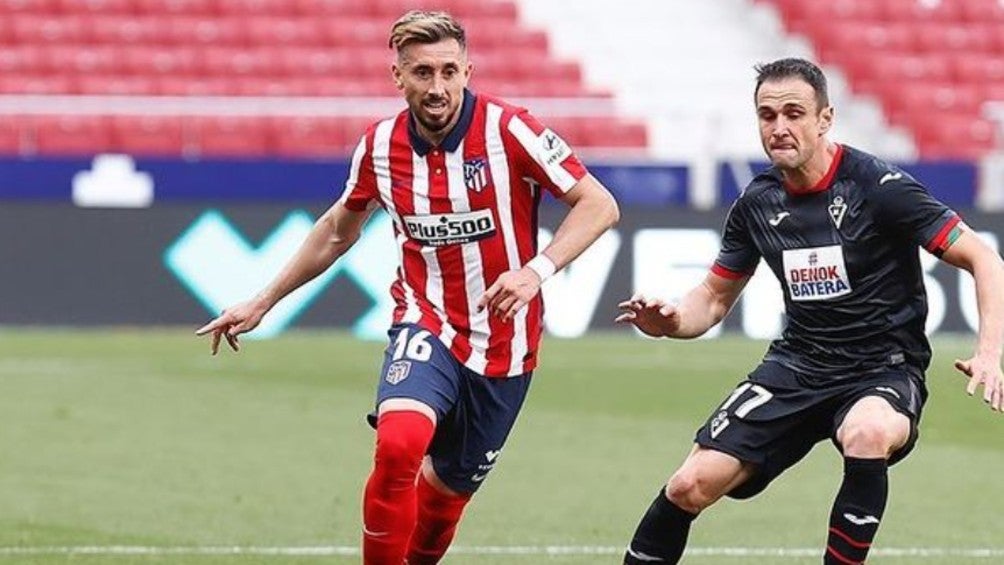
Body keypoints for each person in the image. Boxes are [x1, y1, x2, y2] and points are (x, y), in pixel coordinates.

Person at [196, 10, 619, 565]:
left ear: (468, 70)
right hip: (427, 320)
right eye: (422, 72)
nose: (437, 87)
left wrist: (535, 270)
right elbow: (335, 232)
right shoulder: (378, 148)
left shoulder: (511, 130)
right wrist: (262, 300)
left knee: (443, 499)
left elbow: (599, 204)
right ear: (398, 76)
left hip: (505, 346)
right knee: (398, 447)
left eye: (448, 71)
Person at [616, 57, 1004, 565]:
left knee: (868, 433)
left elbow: (984, 258)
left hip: (881, 368)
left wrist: (990, 353)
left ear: (825, 119)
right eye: (767, 115)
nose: (779, 128)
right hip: (798, 366)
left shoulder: (879, 188)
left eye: (794, 113)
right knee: (689, 484)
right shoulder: (757, 204)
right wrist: (669, 322)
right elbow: (711, 300)